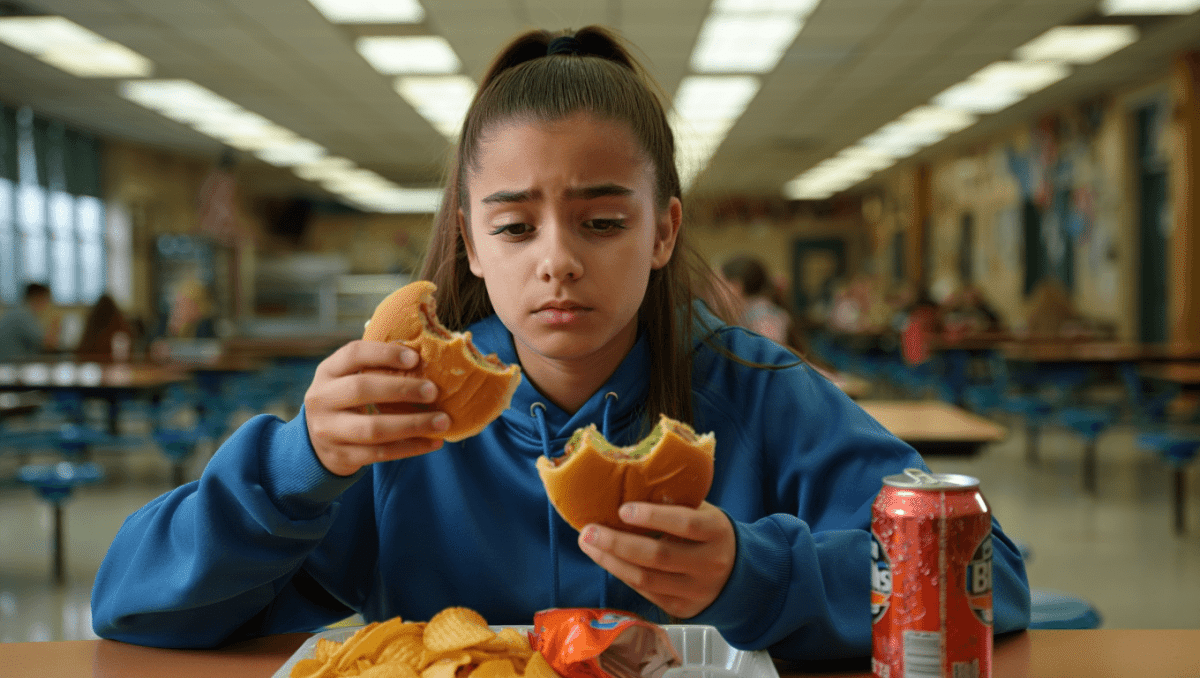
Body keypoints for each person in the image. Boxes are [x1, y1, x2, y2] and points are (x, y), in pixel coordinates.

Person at [91, 27, 1030, 659]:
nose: (558, 263)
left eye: (602, 222)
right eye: (514, 227)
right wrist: (298, 463)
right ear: (468, 239)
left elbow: (995, 583)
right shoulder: (399, 420)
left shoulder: (760, 392)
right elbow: (132, 606)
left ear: (663, 233)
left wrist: (758, 574)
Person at [719, 255, 792, 346]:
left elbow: (769, 354)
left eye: (720, 285)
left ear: (736, 287)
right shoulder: (748, 313)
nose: (716, 292)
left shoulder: (764, 316)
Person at [0, 282, 56, 361]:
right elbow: (47, 344)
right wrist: (55, 325)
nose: (47, 304)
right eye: (46, 299)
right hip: (11, 364)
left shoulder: (17, 311)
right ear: (38, 297)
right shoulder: (24, 315)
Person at [76, 294, 135, 363]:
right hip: (110, 365)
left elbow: (82, 352)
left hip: (95, 365)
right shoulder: (119, 325)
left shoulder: (92, 327)